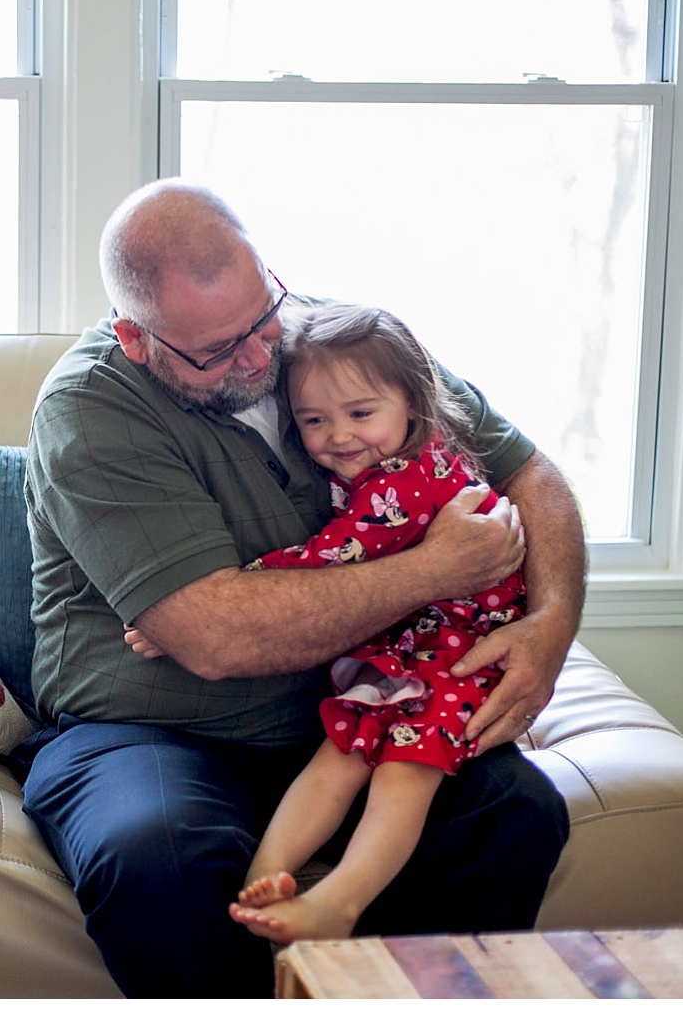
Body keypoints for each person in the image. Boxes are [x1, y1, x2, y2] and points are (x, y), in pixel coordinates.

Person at [18, 179, 585, 997]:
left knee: (516, 815)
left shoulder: (337, 344)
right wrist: (436, 567)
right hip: (150, 730)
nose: (257, 357)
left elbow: (529, 472)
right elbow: (217, 638)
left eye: (261, 318)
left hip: (354, 707)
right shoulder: (91, 410)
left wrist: (553, 624)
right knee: (156, 858)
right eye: (216, 352)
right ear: (135, 339)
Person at [126, 301, 528, 945]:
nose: (339, 436)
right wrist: (181, 617)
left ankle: (340, 901)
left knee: (402, 771)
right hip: (406, 649)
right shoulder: (371, 467)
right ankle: (265, 880)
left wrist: (183, 606)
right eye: (315, 421)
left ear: (414, 406)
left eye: (361, 414)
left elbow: (332, 556)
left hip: (459, 654)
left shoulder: (414, 478)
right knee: (340, 756)